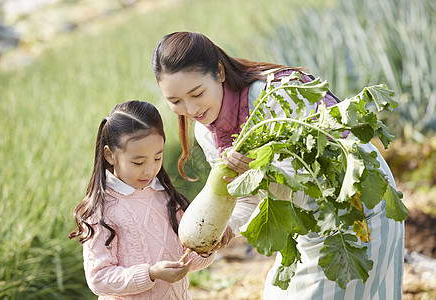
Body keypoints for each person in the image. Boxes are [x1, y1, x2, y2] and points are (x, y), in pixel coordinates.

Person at [151, 31, 405, 299]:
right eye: (175, 101)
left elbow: (328, 165)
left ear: (220, 72)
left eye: (196, 93)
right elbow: (246, 198)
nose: (190, 110)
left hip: (352, 208)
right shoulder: (206, 132)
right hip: (304, 222)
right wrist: (226, 227)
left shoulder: (270, 98)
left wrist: (261, 169)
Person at [69, 100, 215, 299]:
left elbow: (188, 258)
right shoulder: (102, 210)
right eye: (138, 162)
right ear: (110, 155)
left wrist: (206, 249)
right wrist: (151, 273)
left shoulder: (167, 197)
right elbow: (98, 278)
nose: (149, 170)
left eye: (157, 158)